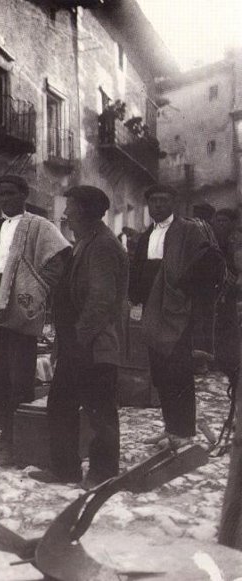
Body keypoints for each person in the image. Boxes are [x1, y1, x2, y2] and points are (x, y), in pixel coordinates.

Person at [29, 186, 127, 488]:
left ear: (84, 211)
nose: (65, 215)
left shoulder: (103, 246)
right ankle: (65, 470)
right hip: (78, 343)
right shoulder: (87, 241)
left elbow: (101, 300)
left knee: (99, 412)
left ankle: (103, 473)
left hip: (94, 345)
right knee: (61, 405)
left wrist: (79, 341)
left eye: (69, 208)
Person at [0, 175, 70, 466]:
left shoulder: (39, 226)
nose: (5, 200)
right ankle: (5, 435)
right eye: (1, 194)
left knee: (20, 377)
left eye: (11, 194)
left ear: (24, 195)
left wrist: (38, 290)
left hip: (21, 309)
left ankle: (19, 441)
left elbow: (60, 258)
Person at [129, 184, 225, 449]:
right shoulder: (147, 234)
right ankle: (171, 428)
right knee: (160, 372)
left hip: (179, 312)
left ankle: (184, 432)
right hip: (153, 310)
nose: (158, 206)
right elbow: (139, 270)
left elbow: (208, 264)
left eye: (163, 201)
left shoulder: (189, 231)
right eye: (153, 201)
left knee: (179, 372)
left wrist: (184, 292)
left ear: (173, 203)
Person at [209, 208, 241, 388]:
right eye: (218, 221)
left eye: (225, 221)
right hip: (217, 294)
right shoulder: (211, 240)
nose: (220, 225)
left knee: (230, 330)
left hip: (233, 295)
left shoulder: (235, 241)